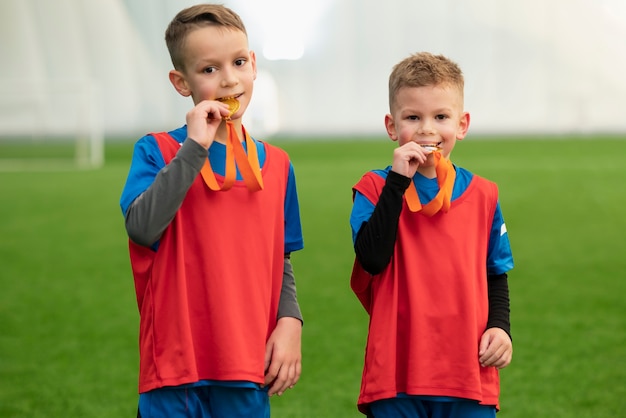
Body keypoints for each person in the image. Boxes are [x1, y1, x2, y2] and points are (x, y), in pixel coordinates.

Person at [119, 4, 304, 417]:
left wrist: (290, 322)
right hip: (176, 367)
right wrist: (194, 149)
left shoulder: (277, 164)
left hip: (247, 363)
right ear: (181, 83)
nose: (228, 79)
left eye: (238, 62)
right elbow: (142, 227)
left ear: (253, 65)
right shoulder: (157, 151)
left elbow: (282, 257)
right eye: (209, 70)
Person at [349, 52, 514, 417]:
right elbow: (372, 259)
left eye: (440, 117)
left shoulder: (484, 194)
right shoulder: (374, 188)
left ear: (462, 124)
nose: (426, 129)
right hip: (396, 376)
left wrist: (500, 328)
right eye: (413, 117)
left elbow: (495, 271)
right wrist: (397, 182)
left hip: (468, 373)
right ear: (392, 127)